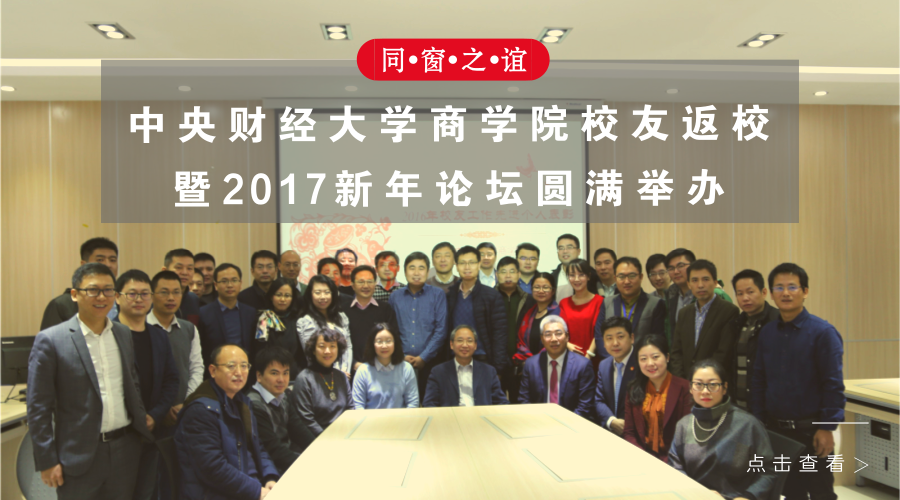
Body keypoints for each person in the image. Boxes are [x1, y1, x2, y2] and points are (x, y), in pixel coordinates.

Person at [27, 263, 153, 499]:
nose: (102, 297)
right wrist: (47, 460)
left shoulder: (122, 333)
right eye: (93, 290)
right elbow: (38, 407)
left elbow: (131, 382)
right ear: (75, 294)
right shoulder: (51, 340)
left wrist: (140, 417)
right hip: (78, 455)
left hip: (125, 449)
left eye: (108, 290)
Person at [751, 263, 845, 500]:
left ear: (805, 291)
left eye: (792, 287)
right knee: (791, 492)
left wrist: (827, 428)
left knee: (821, 493)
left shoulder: (823, 333)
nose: (785, 293)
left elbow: (833, 384)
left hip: (812, 431)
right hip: (777, 431)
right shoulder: (768, 332)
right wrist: (759, 423)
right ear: (771, 294)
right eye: (779, 287)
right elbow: (759, 379)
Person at [174, 344, 279, 500]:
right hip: (218, 493)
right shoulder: (200, 411)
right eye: (231, 366)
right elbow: (213, 469)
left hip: (249, 487)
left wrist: (270, 476)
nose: (239, 372)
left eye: (244, 366)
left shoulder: (242, 403)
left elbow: (258, 447)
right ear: (213, 371)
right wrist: (256, 491)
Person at [113, 270, 180, 500]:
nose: (139, 299)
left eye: (144, 294)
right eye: (132, 294)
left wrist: (155, 415)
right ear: (117, 297)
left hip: (152, 429)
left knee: (147, 492)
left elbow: (171, 379)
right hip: (118, 434)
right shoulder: (107, 334)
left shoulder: (158, 336)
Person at [669, 359, 776, 500]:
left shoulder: (747, 425)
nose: (705, 391)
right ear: (691, 388)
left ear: (724, 388)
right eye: (698, 384)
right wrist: (697, 492)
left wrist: (747, 497)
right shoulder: (684, 425)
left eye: (713, 385)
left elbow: (767, 471)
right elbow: (675, 466)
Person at [147, 271, 204, 430]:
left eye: (176, 292)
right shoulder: (140, 327)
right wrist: (160, 410)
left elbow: (196, 368)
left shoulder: (189, 329)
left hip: (183, 411)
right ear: (152, 295)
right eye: (164, 292)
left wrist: (186, 402)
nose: (171, 298)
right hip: (149, 414)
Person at [622, 335, 692, 462]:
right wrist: (643, 458)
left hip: (674, 460)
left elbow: (687, 435)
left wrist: (666, 462)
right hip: (641, 458)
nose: (650, 363)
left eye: (655, 357)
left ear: (667, 357)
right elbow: (629, 432)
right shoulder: (633, 389)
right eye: (643, 359)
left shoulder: (685, 388)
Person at [718, 269, 780, 411]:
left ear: (764, 292)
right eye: (740, 294)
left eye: (750, 292)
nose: (745, 298)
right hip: (738, 404)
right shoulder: (735, 324)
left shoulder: (777, 322)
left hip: (767, 407)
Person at [247, 347, 313, 475]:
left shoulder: (283, 396)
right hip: (269, 469)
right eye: (274, 373)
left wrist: (319, 451)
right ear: (259, 376)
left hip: (286, 460)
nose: (281, 379)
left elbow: (300, 431)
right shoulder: (254, 404)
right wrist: (309, 464)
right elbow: (273, 450)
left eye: (285, 373)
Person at [390, 251, 448, 397]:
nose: (416, 273)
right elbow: (391, 330)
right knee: (403, 403)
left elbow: (441, 329)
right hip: (400, 363)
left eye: (421, 268)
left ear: (427, 272)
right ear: (404, 272)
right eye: (412, 268)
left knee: (430, 403)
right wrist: (401, 355)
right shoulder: (395, 297)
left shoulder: (438, 294)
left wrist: (424, 357)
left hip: (432, 362)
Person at [670, 260, 740, 379]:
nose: (700, 285)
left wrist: (701, 380)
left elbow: (724, 353)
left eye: (706, 279)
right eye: (695, 280)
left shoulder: (729, 311)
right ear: (689, 284)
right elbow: (676, 352)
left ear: (715, 282)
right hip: (686, 382)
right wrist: (682, 381)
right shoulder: (684, 313)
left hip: (714, 381)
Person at [518, 315, 594, 417]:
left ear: (567, 337)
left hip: (571, 422)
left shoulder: (582, 365)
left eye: (558, 333)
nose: (554, 339)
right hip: (538, 420)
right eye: (548, 334)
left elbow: (585, 406)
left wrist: (564, 423)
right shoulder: (531, 364)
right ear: (542, 339)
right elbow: (524, 400)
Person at [447, 246, 507, 372]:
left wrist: (499, 367)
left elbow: (500, 335)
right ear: (456, 266)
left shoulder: (492, 296)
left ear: (479, 265)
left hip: (483, 358)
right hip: (455, 359)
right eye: (462, 263)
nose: (467, 267)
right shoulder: (450, 295)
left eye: (472, 262)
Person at [41, 237, 120, 330]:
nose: (108, 265)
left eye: (112, 260)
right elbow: (52, 337)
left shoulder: (124, 298)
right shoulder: (61, 305)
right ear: (84, 265)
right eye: (100, 260)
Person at [593, 257, 666, 358]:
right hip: (613, 361)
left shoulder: (655, 303)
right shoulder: (607, 302)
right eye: (621, 276)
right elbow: (599, 335)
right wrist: (611, 359)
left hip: (641, 362)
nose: (626, 281)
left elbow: (657, 339)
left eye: (632, 276)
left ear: (640, 277)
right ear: (615, 278)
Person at [423, 325, 508, 407]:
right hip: (451, 416)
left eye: (469, 341)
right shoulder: (438, 372)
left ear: (475, 345)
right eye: (460, 340)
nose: (464, 345)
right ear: (451, 344)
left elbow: (501, 402)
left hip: (480, 415)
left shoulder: (488, 371)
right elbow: (429, 403)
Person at [292, 329, 353, 437]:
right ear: (313, 350)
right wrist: (328, 438)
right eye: (322, 346)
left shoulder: (341, 376)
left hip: (345, 434)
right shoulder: (304, 379)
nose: (327, 351)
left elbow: (350, 408)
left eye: (332, 346)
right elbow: (306, 419)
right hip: (318, 438)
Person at [664, 248, 733, 344]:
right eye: (671, 268)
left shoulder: (715, 294)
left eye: (681, 266)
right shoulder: (670, 296)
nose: (676, 271)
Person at [340, 265, 399, 372]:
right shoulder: (342, 310)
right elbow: (339, 342)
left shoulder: (385, 309)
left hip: (380, 368)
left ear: (375, 284)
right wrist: (353, 364)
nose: (366, 286)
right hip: (350, 369)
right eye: (361, 282)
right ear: (353, 285)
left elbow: (394, 338)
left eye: (370, 282)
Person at [198, 264, 258, 367]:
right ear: (215, 285)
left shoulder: (250, 313)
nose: (230, 285)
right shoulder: (203, 313)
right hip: (216, 370)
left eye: (234, 280)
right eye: (224, 281)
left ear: (240, 283)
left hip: (245, 370)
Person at [352, 324, 419, 409]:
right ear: (372, 344)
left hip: (400, 417)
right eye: (379, 341)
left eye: (388, 341)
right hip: (370, 417)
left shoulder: (406, 368)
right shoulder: (363, 370)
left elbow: (413, 403)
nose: (384, 346)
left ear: (395, 343)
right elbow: (358, 405)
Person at [297, 275, 353, 374]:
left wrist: (345, 371)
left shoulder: (341, 317)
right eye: (318, 292)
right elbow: (311, 354)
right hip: (320, 375)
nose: (323, 297)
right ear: (310, 295)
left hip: (345, 374)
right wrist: (335, 373)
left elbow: (348, 346)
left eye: (327, 292)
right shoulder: (305, 321)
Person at [594, 317, 639, 435]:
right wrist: (611, 420)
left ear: (632, 338)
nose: (615, 343)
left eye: (620, 337)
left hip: (637, 433)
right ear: (603, 342)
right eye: (609, 338)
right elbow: (599, 400)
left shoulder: (642, 363)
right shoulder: (603, 365)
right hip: (610, 432)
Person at [254, 277, 306, 377]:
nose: (282, 299)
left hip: (295, 373)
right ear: (271, 296)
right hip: (271, 373)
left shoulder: (298, 319)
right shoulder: (264, 319)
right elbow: (260, 352)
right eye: (278, 295)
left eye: (287, 295)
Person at [496, 256, 529, 402]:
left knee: (520, 405)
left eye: (512, 271)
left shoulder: (528, 300)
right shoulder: (489, 297)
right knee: (496, 407)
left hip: (521, 363)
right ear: (497, 274)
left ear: (519, 274)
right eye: (503, 272)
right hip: (496, 364)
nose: (508, 276)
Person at [558, 259, 603, 360]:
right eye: (572, 275)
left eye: (581, 275)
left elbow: (600, 331)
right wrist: (567, 344)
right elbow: (560, 330)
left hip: (593, 357)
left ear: (588, 276)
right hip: (569, 356)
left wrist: (589, 355)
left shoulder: (599, 301)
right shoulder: (563, 303)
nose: (576, 279)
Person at [512, 272, 559, 368]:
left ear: (553, 291)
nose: (541, 291)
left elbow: (556, 343)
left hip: (551, 365)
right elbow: (521, 341)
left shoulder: (558, 314)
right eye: (537, 287)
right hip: (527, 365)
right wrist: (528, 362)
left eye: (545, 287)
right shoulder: (529, 313)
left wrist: (534, 362)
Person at [162, 248, 201, 326]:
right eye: (179, 267)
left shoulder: (194, 299)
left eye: (189, 268)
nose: (185, 272)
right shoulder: (155, 298)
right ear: (165, 271)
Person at [551, 233, 581, 303]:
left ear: (578, 251)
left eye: (569, 247)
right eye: (561, 248)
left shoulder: (590, 275)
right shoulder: (552, 277)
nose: (565, 251)